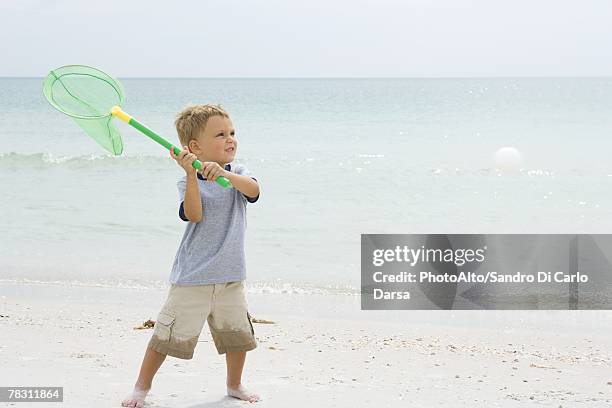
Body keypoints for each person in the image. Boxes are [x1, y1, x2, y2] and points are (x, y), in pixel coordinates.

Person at [122, 104, 261, 407]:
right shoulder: (188, 180)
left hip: (231, 275)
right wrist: (192, 173)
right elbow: (194, 214)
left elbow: (254, 191)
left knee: (237, 335)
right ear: (195, 147)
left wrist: (224, 174)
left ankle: (234, 384)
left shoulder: (238, 173)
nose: (230, 139)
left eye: (232, 133)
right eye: (221, 135)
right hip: (193, 278)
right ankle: (140, 388)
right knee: (165, 337)